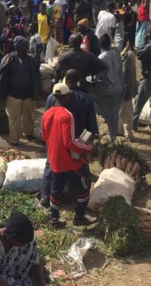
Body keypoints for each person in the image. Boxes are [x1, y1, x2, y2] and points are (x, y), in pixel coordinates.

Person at [40, 70, 98, 206]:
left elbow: (47, 119)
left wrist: (48, 140)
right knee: (79, 170)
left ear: (66, 79)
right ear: (79, 80)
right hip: (77, 141)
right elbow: (91, 124)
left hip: (55, 140)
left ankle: (45, 196)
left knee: (51, 167)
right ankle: (77, 199)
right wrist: (92, 141)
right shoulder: (86, 98)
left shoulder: (51, 97)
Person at [0, 36, 40, 146]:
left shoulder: (30, 59)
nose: (27, 47)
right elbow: (1, 77)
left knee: (29, 116)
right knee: (14, 119)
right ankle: (14, 139)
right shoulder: (8, 59)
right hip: (13, 95)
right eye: (25, 45)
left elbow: (36, 76)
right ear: (18, 47)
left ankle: (28, 133)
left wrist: (38, 90)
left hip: (28, 95)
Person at [87, 34, 124, 141]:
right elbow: (120, 40)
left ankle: (94, 128)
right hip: (118, 88)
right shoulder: (116, 52)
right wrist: (120, 24)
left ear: (99, 45)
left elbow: (96, 77)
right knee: (113, 114)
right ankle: (113, 138)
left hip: (106, 91)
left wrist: (86, 78)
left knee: (88, 93)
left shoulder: (101, 58)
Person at [120, 45, 138, 141]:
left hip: (126, 89)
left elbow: (130, 75)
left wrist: (129, 90)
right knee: (121, 111)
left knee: (126, 112)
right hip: (120, 88)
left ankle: (128, 134)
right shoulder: (122, 53)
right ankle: (121, 131)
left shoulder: (128, 55)